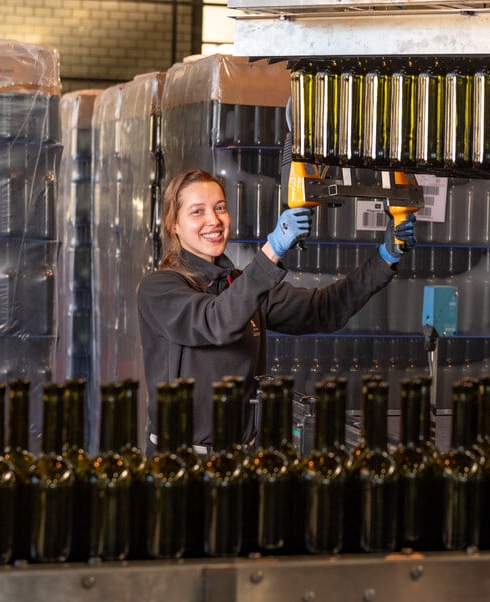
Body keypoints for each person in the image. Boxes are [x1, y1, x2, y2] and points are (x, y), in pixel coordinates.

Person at [137, 168, 416, 453]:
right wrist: (272, 250)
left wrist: (385, 258)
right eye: (197, 212)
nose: (214, 220)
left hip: (241, 458)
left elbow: (324, 309)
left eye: (220, 208)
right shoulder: (159, 288)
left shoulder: (239, 284)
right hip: (181, 462)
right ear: (174, 224)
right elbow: (216, 321)